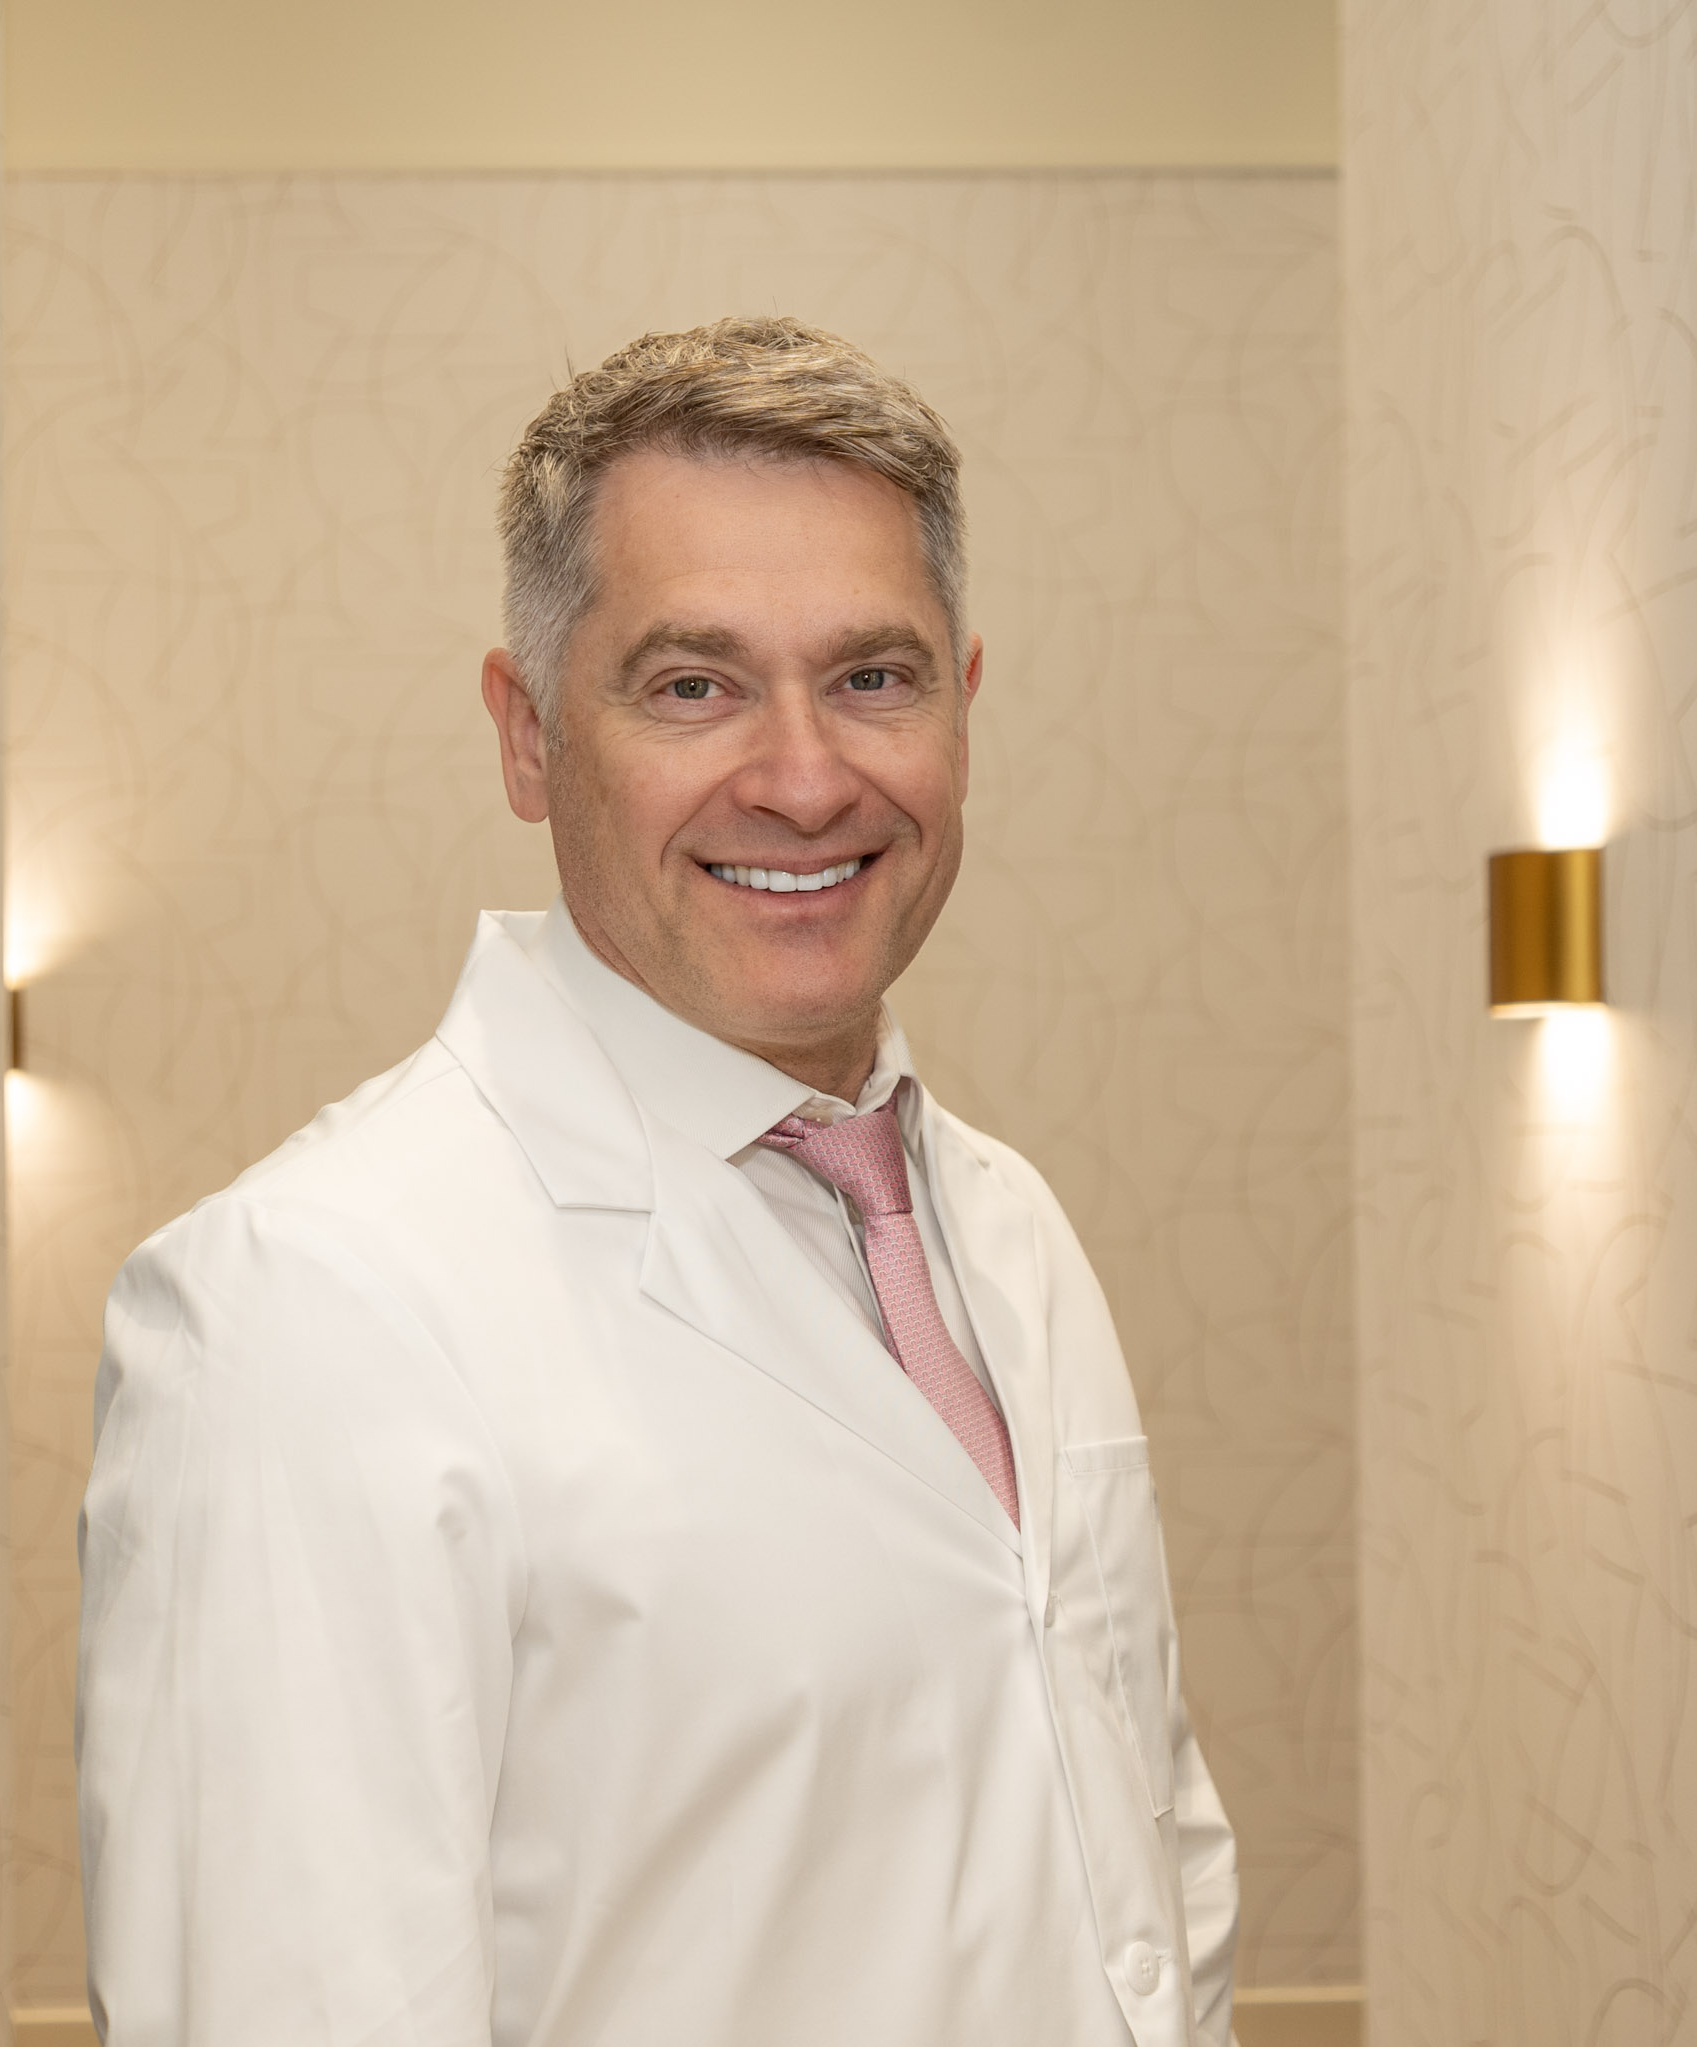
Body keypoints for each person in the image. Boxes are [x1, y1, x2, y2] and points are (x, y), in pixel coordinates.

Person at [76, 316, 1238, 2047]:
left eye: (874, 676)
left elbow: (1149, 1871)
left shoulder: (999, 1227)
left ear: (964, 707)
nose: (803, 774)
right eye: (692, 685)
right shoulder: (303, 1311)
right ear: (529, 736)